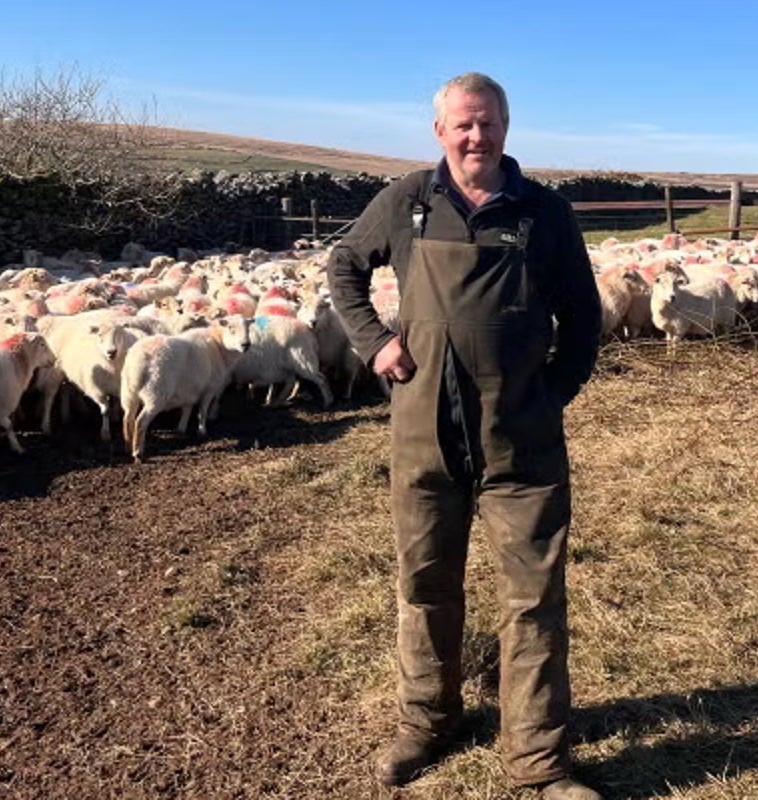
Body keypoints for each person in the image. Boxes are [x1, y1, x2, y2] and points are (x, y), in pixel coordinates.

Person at [327, 72, 603, 799]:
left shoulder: (544, 213)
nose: (476, 136)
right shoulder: (407, 203)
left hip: (523, 444)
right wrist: (374, 342)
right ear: (440, 130)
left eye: (488, 124)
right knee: (424, 585)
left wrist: (551, 396)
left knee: (534, 599)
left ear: (507, 128)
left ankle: (538, 762)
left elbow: (581, 318)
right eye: (463, 125)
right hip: (424, 435)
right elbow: (344, 267)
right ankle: (427, 721)